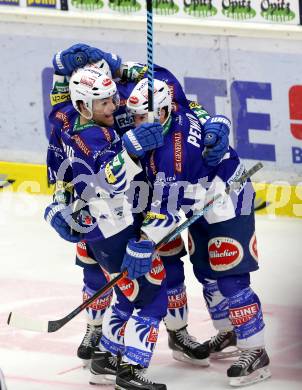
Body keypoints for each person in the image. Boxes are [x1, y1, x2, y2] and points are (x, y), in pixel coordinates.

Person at [47, 43, 230, 371]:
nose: (114, 103)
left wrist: (213, 121)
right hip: (101, 208)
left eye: (113, 91)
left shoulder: (131, 90)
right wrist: (59, 205)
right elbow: (61, 162)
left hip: (149, 198)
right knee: (97, 272)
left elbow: (184, 107)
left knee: (168, 270)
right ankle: (97, 333)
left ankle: (177, 333)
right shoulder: (70, 115)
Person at [124, 78, 271, 387]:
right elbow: (196, 107)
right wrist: (216, 120)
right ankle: (230, 331)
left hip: (228, 198)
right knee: (207, 271)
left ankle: (255, 351)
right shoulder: (172, 108)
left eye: (142, 117)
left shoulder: (171, 155)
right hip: (198, 201)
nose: (137, 123)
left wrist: (144, 243)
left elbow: (164, 208)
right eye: (134, 116)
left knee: (230, 276)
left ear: (161, 113)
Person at [45, 65, 170, 389]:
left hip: (100, 229)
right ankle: (130, 371)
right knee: (153, 298)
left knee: (127, 296)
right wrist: (130, 148)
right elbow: (107, 182)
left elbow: (64, 172)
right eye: (103, 103)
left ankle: (104, 358)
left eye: (112, 98)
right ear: (84, 106)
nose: (113, 106)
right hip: (114, 230)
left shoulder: (70, 123)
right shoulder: (94, 136)